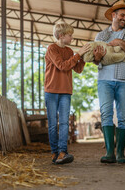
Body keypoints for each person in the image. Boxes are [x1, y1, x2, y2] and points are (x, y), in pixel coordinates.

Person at [93, 0, 125, 164]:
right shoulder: (101, 35)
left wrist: (120, 43)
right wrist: (97, 58)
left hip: (124, 80)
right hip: (104, 80)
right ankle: (109, 153)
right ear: (113, 15)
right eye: (122, 15)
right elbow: (96, 60)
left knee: (123, 116)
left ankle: (120, 153)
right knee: (106, 114)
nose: (124, 18)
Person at [44, 21, 91, 164]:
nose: (72, 38)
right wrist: (78, 54)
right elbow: (62, 66)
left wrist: (83, 57)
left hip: (65, 91)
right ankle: (54, 153)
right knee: (53, 123)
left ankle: (62, 152)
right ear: (61, 35)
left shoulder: (70, 51)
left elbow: (77, 69)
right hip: (51, 90)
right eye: (70, 35)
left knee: (64, 123)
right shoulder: (52, 49)